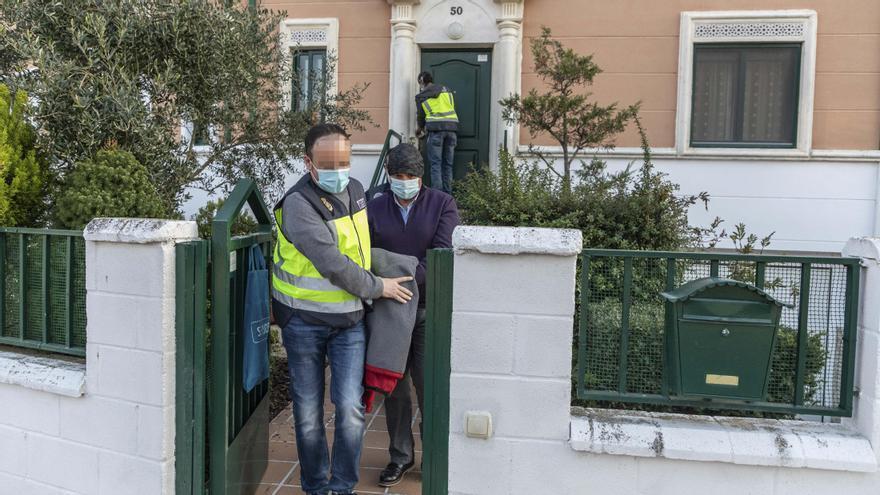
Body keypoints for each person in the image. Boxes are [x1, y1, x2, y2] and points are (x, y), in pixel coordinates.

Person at [272, 123, 414, 495]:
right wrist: (378, 286)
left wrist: (399, 266)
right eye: (328, 162)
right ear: (308, 162)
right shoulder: (296, 205)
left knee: (351, 408)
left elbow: (360, 249)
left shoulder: (355, 190)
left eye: (344, 161)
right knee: (307, 413)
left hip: (349, 321)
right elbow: (332, 261)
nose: (339, 169)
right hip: (303, 322)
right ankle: (316, 485)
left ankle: (342, 486)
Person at [367, 143, 461, 487]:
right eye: (397, 175)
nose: (403, 181)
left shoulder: (442, 203)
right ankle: (400, 457)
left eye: (410, 176)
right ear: (389, 175)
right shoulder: (374, 204)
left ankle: (435, 456)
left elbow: (441, 253)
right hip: (389, 310)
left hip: (425, 310)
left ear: (421, 176)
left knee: (429, 386)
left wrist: (396, 277)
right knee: (394, 388)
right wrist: (381, 282)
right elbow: (365, 253)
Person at [415, 71, 459, 194]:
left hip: (435, 132)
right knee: (448, 165)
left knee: (436, 165)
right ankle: (448, 197)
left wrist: (419, 129)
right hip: (452, 130)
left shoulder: (421, 96)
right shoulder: (446, 90)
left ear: (422, 81)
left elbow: (421, 116)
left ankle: (438, 198)